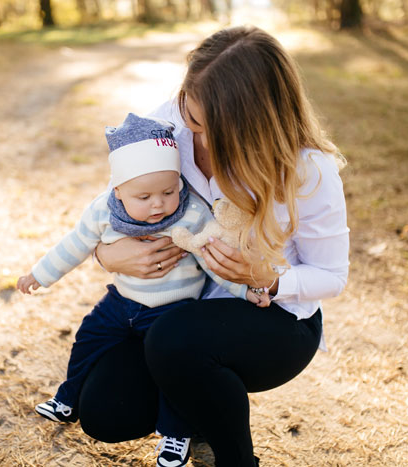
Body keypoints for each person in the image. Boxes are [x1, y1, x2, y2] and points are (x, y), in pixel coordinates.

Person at [80, 26, 350, 467]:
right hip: (176, 305)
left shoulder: (308, 169)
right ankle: (198, 405)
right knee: (106, 414)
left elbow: (333, 277)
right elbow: (111, 203)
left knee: (177, 341)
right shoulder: (169, 122)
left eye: (210, 130)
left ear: (252, 126)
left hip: (275, 320)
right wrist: (105, 254)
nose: (195, 139)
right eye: (190, 115)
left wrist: (268, 277)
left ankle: (231, 456)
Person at [16, 113, 265, 467]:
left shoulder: (191, 214)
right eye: (144, 196)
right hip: (122, 302)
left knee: (169, 365)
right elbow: (74, 245)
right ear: (118, 190)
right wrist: (39, 275)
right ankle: (67, 397)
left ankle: (176, 435)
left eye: (168, 191)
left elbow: (215, 263)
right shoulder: (104, 211)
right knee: (88, 335)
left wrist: (244, 292)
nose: (158, 204)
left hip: (172, 310)